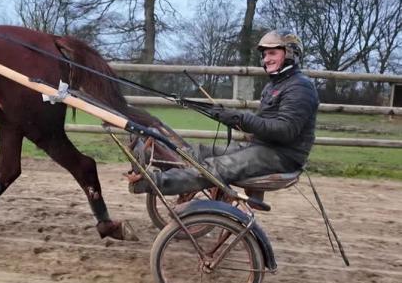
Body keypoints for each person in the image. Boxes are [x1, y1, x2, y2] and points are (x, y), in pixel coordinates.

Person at [129, 30, 319, 202]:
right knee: (200, 152)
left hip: (282, 156)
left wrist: (240, 118)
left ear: (290, 53)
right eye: (264, 54)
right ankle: (149, 152)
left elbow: (285, 131)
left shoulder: (300, 87)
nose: (266, 59)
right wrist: (229, 117)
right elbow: (265, 123)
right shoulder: (274, 85)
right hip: (262, 147)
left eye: (272, 53)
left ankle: (152, 182)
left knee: (213, 168)